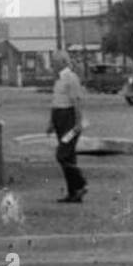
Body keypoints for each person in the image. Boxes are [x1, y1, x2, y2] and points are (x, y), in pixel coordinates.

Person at [46, 50, 88, 203]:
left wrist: (78, 122)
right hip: (59, 118)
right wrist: (51, 122)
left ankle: (81, 182)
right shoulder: (58, 80)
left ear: (63, 62)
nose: (52, 65)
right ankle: (74, 192)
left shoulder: (71, 78)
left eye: (55, 62)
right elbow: (55, 101)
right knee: (69, 156)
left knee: (62, 154)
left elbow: (77, 101)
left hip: (69, 119)